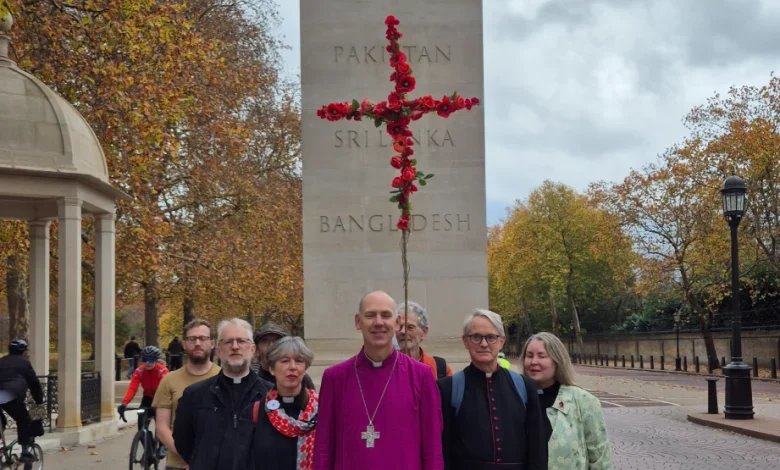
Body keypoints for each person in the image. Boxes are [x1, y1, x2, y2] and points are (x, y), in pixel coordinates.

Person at [313, 290, 443, 470]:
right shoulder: (335, 378)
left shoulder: (421, 376)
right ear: (358, 322)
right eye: (370, 315)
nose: (379, 322)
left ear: (397, 323)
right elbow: (323, 450)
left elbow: (432, 449)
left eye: (386, 315)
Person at [438, 309, 546, 470]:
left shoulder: (525, 386)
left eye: (490, 337)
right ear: (465, 341)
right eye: (476, 337)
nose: (483, 344)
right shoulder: (448, 387)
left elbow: (537, 448)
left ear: (501, 341)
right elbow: (442, 448)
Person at [173, 318, 273, 470]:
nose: (235, 347)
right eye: (228, 342)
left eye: (241, 341)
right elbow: (183, 441)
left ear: (253, 350)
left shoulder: (270, 395)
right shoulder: (194, 395)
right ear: (218, 351)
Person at [521, 332, 613, 469]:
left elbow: (600, 459)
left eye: (542, 356)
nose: (534, 361)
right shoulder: (516, 399)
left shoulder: (583, 401)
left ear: (557, 361)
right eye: (529, 356)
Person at [153, 319, 221, 470]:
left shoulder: (224, 378)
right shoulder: (169, 380)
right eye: (192, 339)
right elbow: (162, 427)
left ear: (212, 343)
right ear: (184, 344)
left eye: (203, 338)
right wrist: (187, 454)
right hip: (177, 464)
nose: (197, 343)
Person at [249, 336, 318, 470]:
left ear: (305, 369)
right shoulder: (258, 410)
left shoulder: (322, 410)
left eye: (299, 361)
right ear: (272, 369)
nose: (292, 367)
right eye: (285, 361)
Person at [0, 340, 43, 462]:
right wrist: (38, 400)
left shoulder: (1, 361)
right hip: (10, 395)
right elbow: (34, 383)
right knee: (23, 420)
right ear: (23, 351)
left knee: (1, 422)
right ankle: (25, 453)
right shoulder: (24, 364)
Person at [396, 301, 452, 379]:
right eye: (399, 326)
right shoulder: (386, 366)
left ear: (424, 332)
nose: (402, 331)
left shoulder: (439, 368)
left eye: (410, 327)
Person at [253, 323, 316, 390]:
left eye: (276, 341)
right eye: (265, 341)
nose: (271, 345)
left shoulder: (301, 379)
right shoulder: (252, 380)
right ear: (256, 349)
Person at [119, 345, 168, 422]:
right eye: (145, 359)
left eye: (151, 360)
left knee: (160, 428)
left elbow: (165, 388)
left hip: (160, 398)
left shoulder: (162, 371)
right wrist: (124, 403)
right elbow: (132, 388)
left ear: (156, 360)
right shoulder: (139, 371)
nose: (147, 363)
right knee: (141, 419)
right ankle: (142, 432)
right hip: (147, 397)